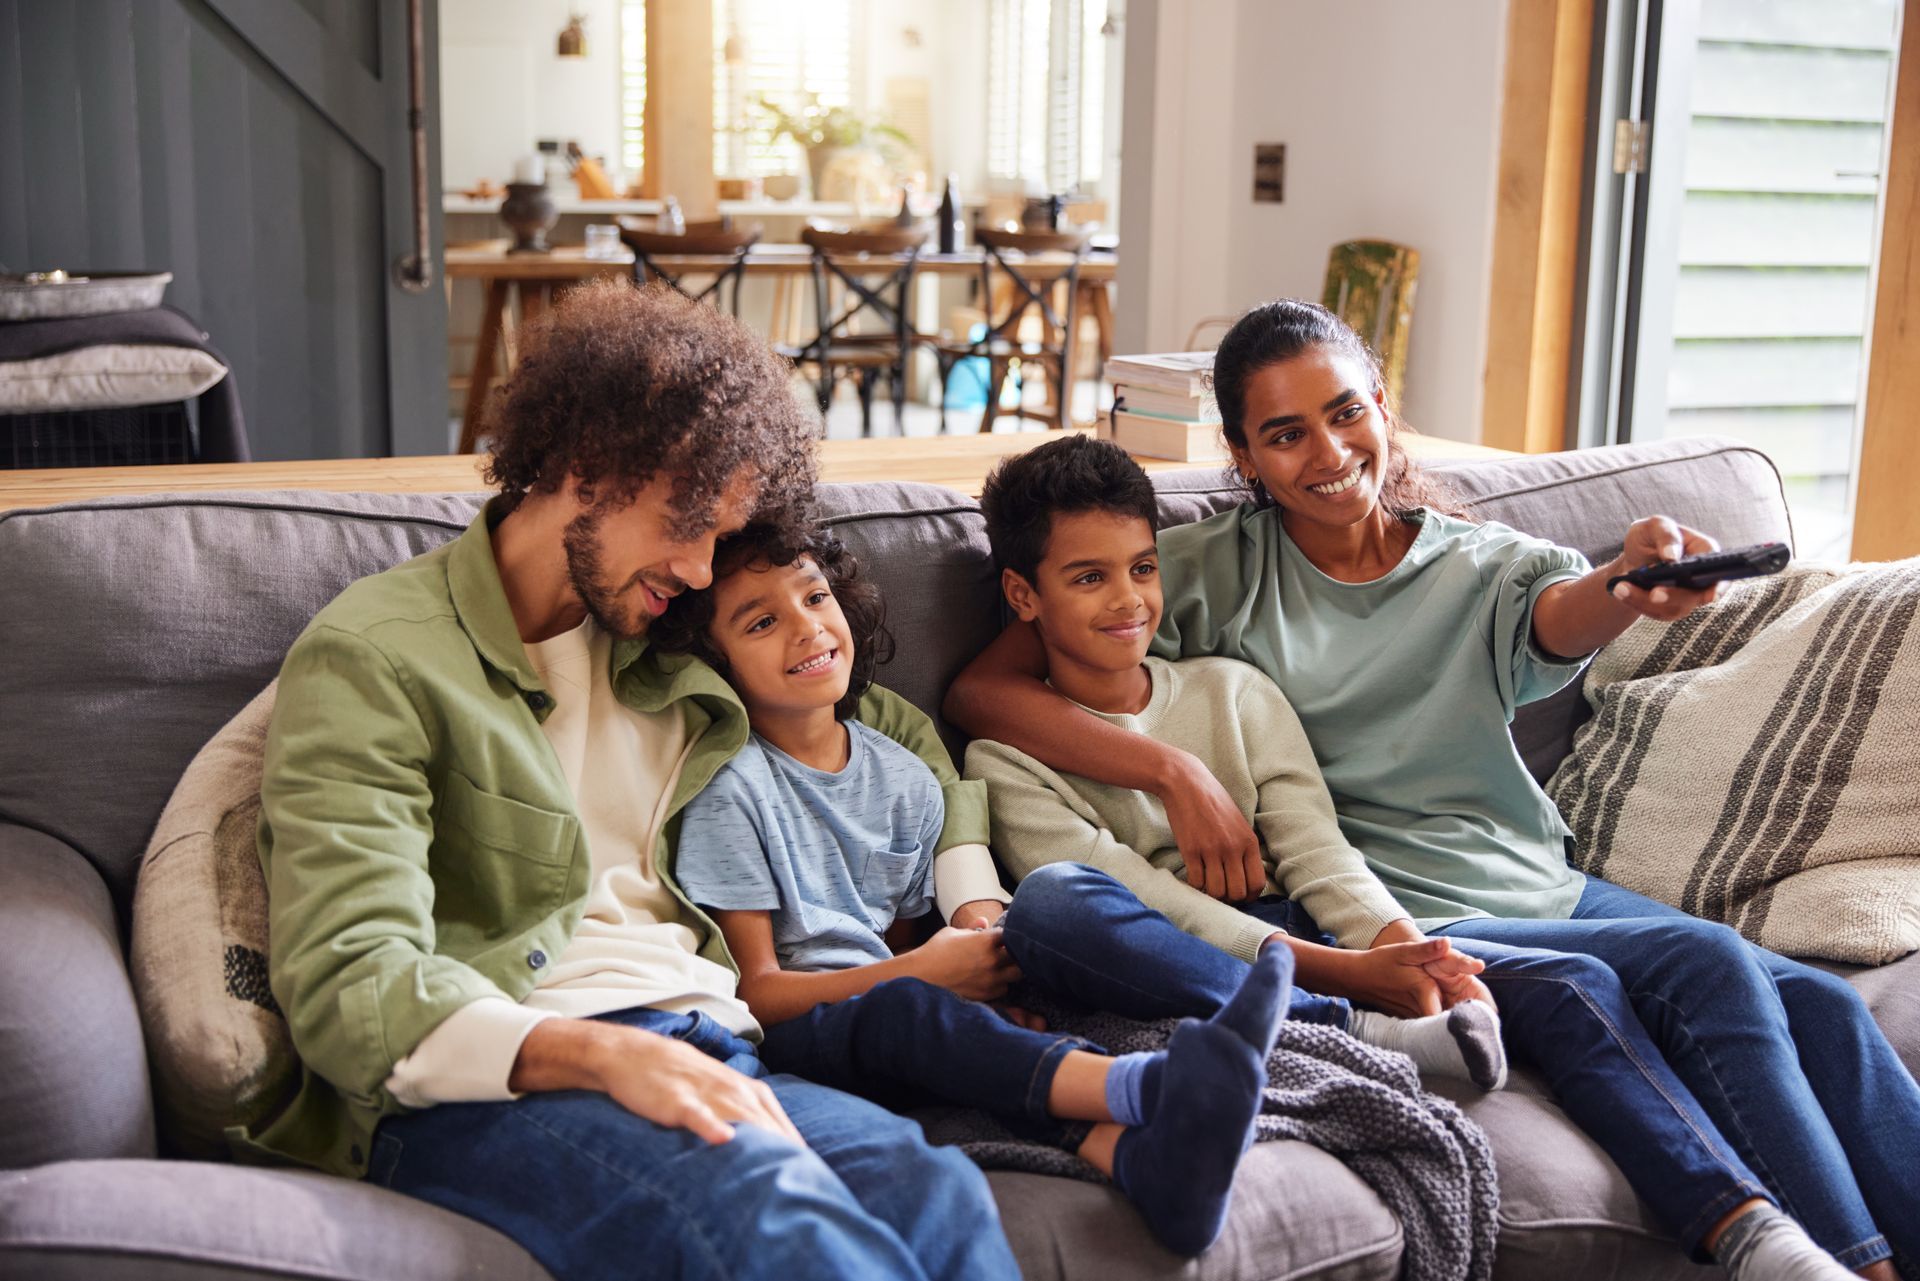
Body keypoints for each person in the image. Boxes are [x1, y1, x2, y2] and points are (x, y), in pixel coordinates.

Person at [946, 299, 1920, 1281]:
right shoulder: (1194, 572)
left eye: (1344, 412)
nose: (1327, 451)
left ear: (1381, 405)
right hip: (1391, 909)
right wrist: (1171, 767)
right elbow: (984, 688)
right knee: (1709, 963)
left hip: (1544, 886)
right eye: (1285, 434)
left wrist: (1628, 580)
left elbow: (1565, 614)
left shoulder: (1483, 564)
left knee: (1827, 1010)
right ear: (1244, 457)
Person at [249, 281, 1019, 1281]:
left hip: (712, 1036)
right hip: (500, 1083)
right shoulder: (377, 656)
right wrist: (604, 1054)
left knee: (936, 1190)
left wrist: (971, 888)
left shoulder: (669, 655)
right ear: (588, 463)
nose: (701, 571)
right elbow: (350, 977)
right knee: (773, 1219)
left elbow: (887, 727)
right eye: (687, 522)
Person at [647, 522, 1294, 1258]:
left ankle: (1143, 1158)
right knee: (908, 1011)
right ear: (715, 662)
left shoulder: (904, 777)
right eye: (762, 622)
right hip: (803, 1034)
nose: (806, 628)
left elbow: (903, 935)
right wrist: (919, 976)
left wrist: (961, 978)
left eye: (815, 596)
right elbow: (757, 993)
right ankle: (1155, 1086)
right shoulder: (730, 790)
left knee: (1025, 961)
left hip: (901, 1010)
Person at [961, 433, 1506, 1093]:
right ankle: (1348, 1024)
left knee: (1562, 980)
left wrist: (1405, 949)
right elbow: (1144, 899)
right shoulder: (1002, 759)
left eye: (1142, 567)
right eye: (1088, 578)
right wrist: (1344, 975)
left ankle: (1386, 1012)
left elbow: (1319, 852)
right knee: (1050, 907)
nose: (1129, 600)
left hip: (1295, 927)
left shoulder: (1234, 690)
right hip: (1164, 955)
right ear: (1023, 596)